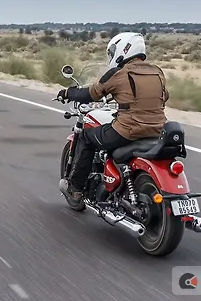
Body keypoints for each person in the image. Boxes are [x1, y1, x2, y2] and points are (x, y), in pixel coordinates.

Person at [56, 32, 170, 202]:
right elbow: (164, 97)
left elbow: (91, 94)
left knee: (87, 138)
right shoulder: (157, 72)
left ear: (122, 50)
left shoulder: (118, 73)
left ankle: (75, 188)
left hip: (128, 130)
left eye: (112, 52)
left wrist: (68, 92)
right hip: (158, 130)